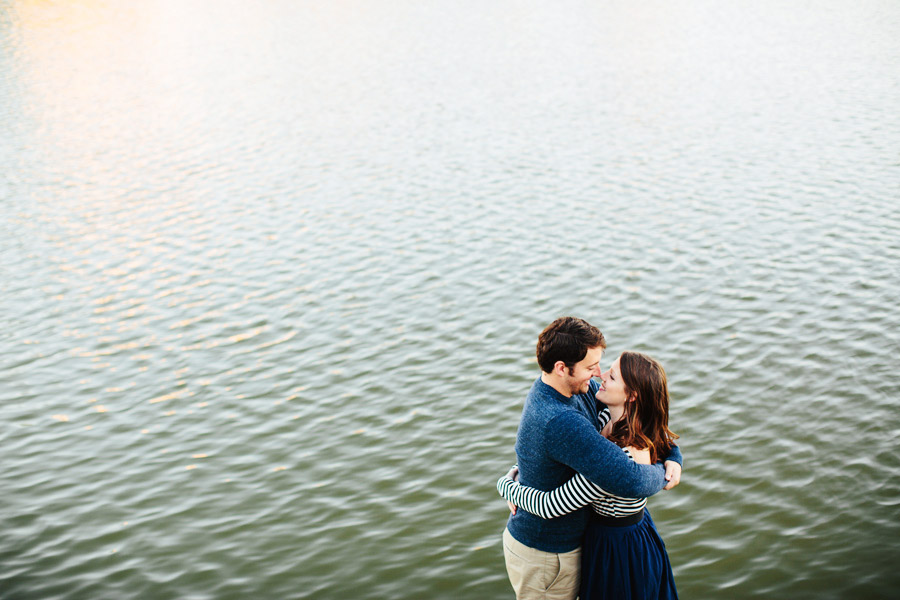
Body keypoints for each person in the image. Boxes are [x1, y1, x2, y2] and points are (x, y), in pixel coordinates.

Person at [500, 317, 682, 600]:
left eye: (606, 370)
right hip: (547, 554)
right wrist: (510, 480)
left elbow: (645, 441)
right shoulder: (567, 419)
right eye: (591, 367)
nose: (598, 374)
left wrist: (672, 459)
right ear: (562, 368)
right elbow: (554, 502)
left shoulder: (579, 394)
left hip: (608, 545)